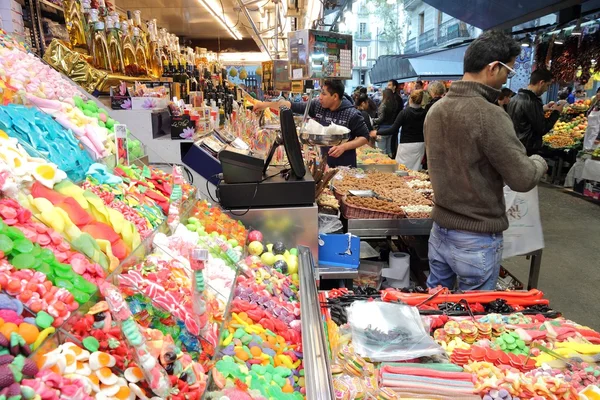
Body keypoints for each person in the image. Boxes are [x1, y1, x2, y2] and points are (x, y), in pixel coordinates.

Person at [424, 30, 547, 291]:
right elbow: (523, 178)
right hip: (475, 238)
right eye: (508, 72)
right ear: (493, 68)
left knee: (434, 309)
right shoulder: (489, 114)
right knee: (473, 322)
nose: (506, 80)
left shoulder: (436, 109)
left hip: (439, 231)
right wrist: (539, 161)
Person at [253, 80, 369, 168]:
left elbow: (365, 137)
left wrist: (344, 146)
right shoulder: (317, 106)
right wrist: (264, 105)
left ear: (335, 96)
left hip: (344, 166)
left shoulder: (352, 114)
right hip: (321, 164)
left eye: (324, 94)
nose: (320, 97)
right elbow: (289, 105)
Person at [506, 68, 562, 155]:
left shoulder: (515, 98)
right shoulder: (532, 101)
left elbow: (522, 117)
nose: (547, 89)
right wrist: (556, 112)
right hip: (527, 148)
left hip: (513, 145)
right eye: (547, 85)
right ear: (541, 83)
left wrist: (542, 109)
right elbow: (543, 128)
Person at [376, 90, 427, 169]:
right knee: (416, 169)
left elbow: (393, 129)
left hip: (406, 144)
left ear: (410, 99)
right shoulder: (425, 113)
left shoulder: (404, 113)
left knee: (401, 168)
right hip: (420, 144)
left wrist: (377, 132)